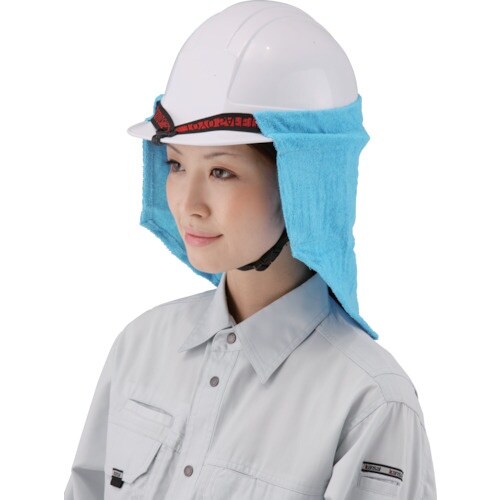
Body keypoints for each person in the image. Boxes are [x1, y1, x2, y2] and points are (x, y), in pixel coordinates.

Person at [64, 1, 437, 499]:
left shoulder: (369, 401)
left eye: (221, 171)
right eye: (176, 165)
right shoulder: (141, 347)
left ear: (303, 181)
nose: (188, 205)